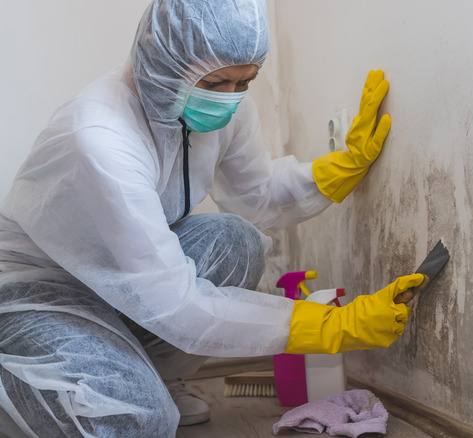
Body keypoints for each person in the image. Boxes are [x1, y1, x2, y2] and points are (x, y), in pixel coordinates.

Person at [0, 0, 424, 435]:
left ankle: (149, 377)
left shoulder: (222, 106)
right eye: (216, 81)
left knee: (236, 241)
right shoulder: (99, 137)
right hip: (42, 291)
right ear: (157, 52)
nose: (229, 98)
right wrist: (333, 324)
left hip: (122, 285)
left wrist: (340, 168)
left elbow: (257, 194)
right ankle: (21, 377)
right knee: (136, 419)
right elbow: (176, 304)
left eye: (246, 81)